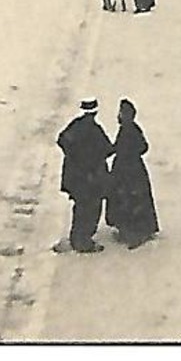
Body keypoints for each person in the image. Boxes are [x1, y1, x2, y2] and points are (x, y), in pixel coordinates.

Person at [56, 99, 115, 253]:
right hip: (92, 179)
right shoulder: (95, 131)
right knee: (91, 209)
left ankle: (76, 237)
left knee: (79, 208)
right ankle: (84, 241)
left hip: (76, 178)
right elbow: (107, 149)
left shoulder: (74, 126)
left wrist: (75, 158)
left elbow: (62, 140)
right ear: (95, 112)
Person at [105, 99, 160, 249]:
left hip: (125, 170)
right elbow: (143, 147)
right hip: (135, 169)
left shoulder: (126, 130)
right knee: (137, 198)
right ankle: (141, 228)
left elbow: (120, 148)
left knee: (126, 198)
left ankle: (131, 231)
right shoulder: (133, 128)